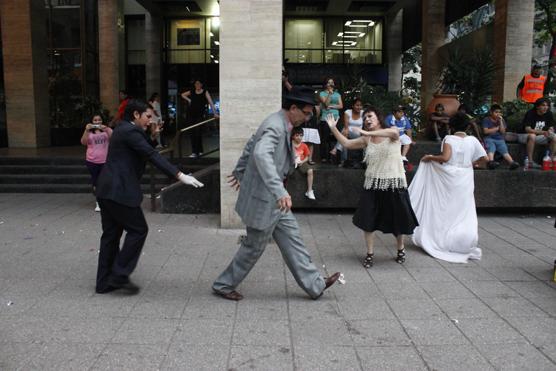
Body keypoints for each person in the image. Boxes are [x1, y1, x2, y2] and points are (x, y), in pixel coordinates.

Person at [212, 87, 341, 301]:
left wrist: (239, 170)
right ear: (293, 108)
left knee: (293, 239)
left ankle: (315, 285)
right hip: (266, 199)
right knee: (253, 247)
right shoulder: (275, 125)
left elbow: (251, 144)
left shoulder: (281, 122)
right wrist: (279, 189)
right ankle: (223, 284)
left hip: (274, 201)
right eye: (307, 112)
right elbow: (261, 153)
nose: (309, 117)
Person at [94, 99, 204, 295]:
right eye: (147, 116)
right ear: (136, 115)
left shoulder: (123, 129)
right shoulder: (130, 131)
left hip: (106, 190)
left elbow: (142, 149)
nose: (149, 121)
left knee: (111, 235)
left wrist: (152, 136)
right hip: (120, 191)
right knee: (138, 229)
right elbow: (151, 154)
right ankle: (119, 275)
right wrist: (180, 176)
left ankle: (103, 283)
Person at [325, 107, 418, 268]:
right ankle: (369, 253)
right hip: (373, 184)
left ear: (378, 118)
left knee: (397, 220)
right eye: (365, 118)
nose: (367, 119)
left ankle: (400, 249)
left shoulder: (392, 131)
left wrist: (367, 133)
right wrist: (333, 128)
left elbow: (394, 134)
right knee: (368, 220)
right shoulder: (366, 139)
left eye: (370, 116)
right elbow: (346, 143)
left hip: (393, 183)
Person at [409, 113, 489, 263]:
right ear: (467, 127)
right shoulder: (473, 140)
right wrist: (473, 163)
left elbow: (445, 158)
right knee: (464, 208)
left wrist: (430, 157)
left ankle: (442, 238)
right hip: (465, 175)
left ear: (451, 126)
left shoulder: (449, 139)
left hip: (449, 175)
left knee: (446, 207)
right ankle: (462, 241)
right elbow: (485, 158)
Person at [80, 114, 112, 212]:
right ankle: (98, 202)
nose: (97, 122)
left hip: (105, 160)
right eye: (95, 120)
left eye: (99, 120)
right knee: (96, 182)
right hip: (92, 160)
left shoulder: (106, 130)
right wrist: (86, 130)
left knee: (105, 181)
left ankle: (105, 200)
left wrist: (106, 128)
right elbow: (83, 142)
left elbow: (114, 137)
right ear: (92, 122)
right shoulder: (89, 132)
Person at [180, 80, 219, 158]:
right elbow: (182, 94)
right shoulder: (192, 91)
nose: (197, 85)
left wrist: (215, 113)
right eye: (196, 84)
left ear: (201, 84)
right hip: (190, 115)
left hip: (199, 115)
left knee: (198, 133)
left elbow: (210, 102)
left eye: (198, 84)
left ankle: (200, 151)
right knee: (192, 133)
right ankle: (194, 152)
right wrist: (189, 100)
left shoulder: (205, 92)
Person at [517, 97, 556, 168]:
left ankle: (550, 160)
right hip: (524, 136)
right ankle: (530, 161)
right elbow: (527, 129)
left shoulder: (548, 113)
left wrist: (550, 130)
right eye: (543, 105)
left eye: (547, 105)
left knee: (554, 136)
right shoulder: (531, 113)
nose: (546, 107)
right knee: (532, 136)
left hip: (539, 136)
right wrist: (543, 132)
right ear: (537, 106)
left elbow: (551, 126)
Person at [481, 104, 520, 170]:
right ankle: (491, 162)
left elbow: (502, 132)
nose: (498, 114)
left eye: (499, 112)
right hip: (489, 138)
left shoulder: (501, 120)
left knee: (504, 150)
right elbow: (485, 131)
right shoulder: (486, 119)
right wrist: (496, 129)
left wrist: (500, 122)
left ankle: (511, 163)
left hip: (499, 139)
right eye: (496, 112)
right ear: (491, 112)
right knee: (491, 148)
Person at [318, 77, 343, 163]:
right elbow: (326, 104)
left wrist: (332, 106)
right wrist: (330, 93)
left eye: (332, 82)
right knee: (325, 138)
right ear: (325, 84)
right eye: (329, 83)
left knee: (338, 137)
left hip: (336, 118)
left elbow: (341, 106)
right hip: (326, 118)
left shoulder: (338, 94)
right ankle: (324, 157)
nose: (330, 84)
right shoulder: (322, 93)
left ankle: (337, 157)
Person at [334, 98, 364, 167]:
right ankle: (343, 160)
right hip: (348, 132)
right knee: (345, 135)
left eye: (360, 105)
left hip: (359, 134)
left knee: (344, 132)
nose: (359, 107)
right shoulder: (348, 112)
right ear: (353, 106)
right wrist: (347, 130)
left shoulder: (363, 113)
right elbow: (346, 125)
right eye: (357, 105)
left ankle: (336, 148)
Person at [291, 126, 316, 200]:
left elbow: (307, 157)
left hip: (301, 162)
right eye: (297, 135)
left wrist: (302, 162)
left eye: (301, 135)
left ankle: (309, 190)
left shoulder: (304, 145)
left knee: (310, 171)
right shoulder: (290, 144)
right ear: (293, 136)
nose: (299, 137)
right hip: (291, 163)